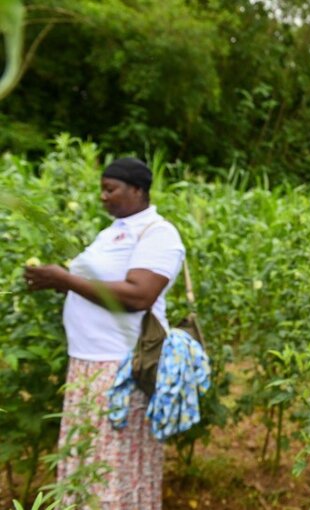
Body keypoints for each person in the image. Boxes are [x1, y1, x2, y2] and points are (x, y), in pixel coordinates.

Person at [24, 157, 185, 509]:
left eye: (110, 189)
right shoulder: (112, 232)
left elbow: (138, 295)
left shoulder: (158, 233)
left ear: (137, 190)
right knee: (87, 461)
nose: (103, 197)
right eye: (101, 189)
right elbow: (95, 285)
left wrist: (64, 279)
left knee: (113, 465)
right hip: (88, 365)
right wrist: (55, 281)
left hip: (120, 369)